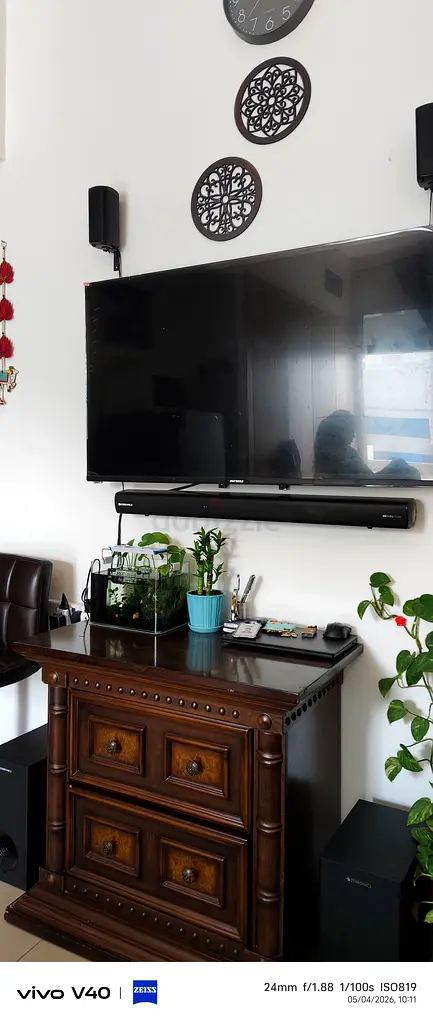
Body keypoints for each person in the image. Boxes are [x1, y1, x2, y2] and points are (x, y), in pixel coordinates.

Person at [314, 410, 421, 480]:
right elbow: (367, 479)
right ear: (339, 432)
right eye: (351, 431)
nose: (353, 436)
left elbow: (370, 476)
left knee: (399, 463)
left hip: (370, 481)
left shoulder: (349, 452)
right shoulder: (332, 458)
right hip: (364, 488)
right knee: (405, 469)